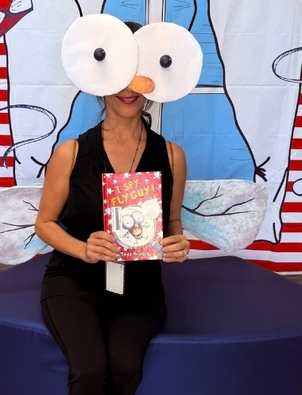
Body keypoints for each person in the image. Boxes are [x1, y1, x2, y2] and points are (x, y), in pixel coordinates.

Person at [35, 20, 191, 395]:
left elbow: (171, 221)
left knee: (124, 367)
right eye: (118, 73)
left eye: (137, 74)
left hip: (138, 287)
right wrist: (83, 249)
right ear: (99, 77)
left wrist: (178, 243)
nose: (127, 88)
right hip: (74, 281)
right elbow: (44, 224)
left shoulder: (171, 155)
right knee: (89, 372)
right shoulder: (70, 152)